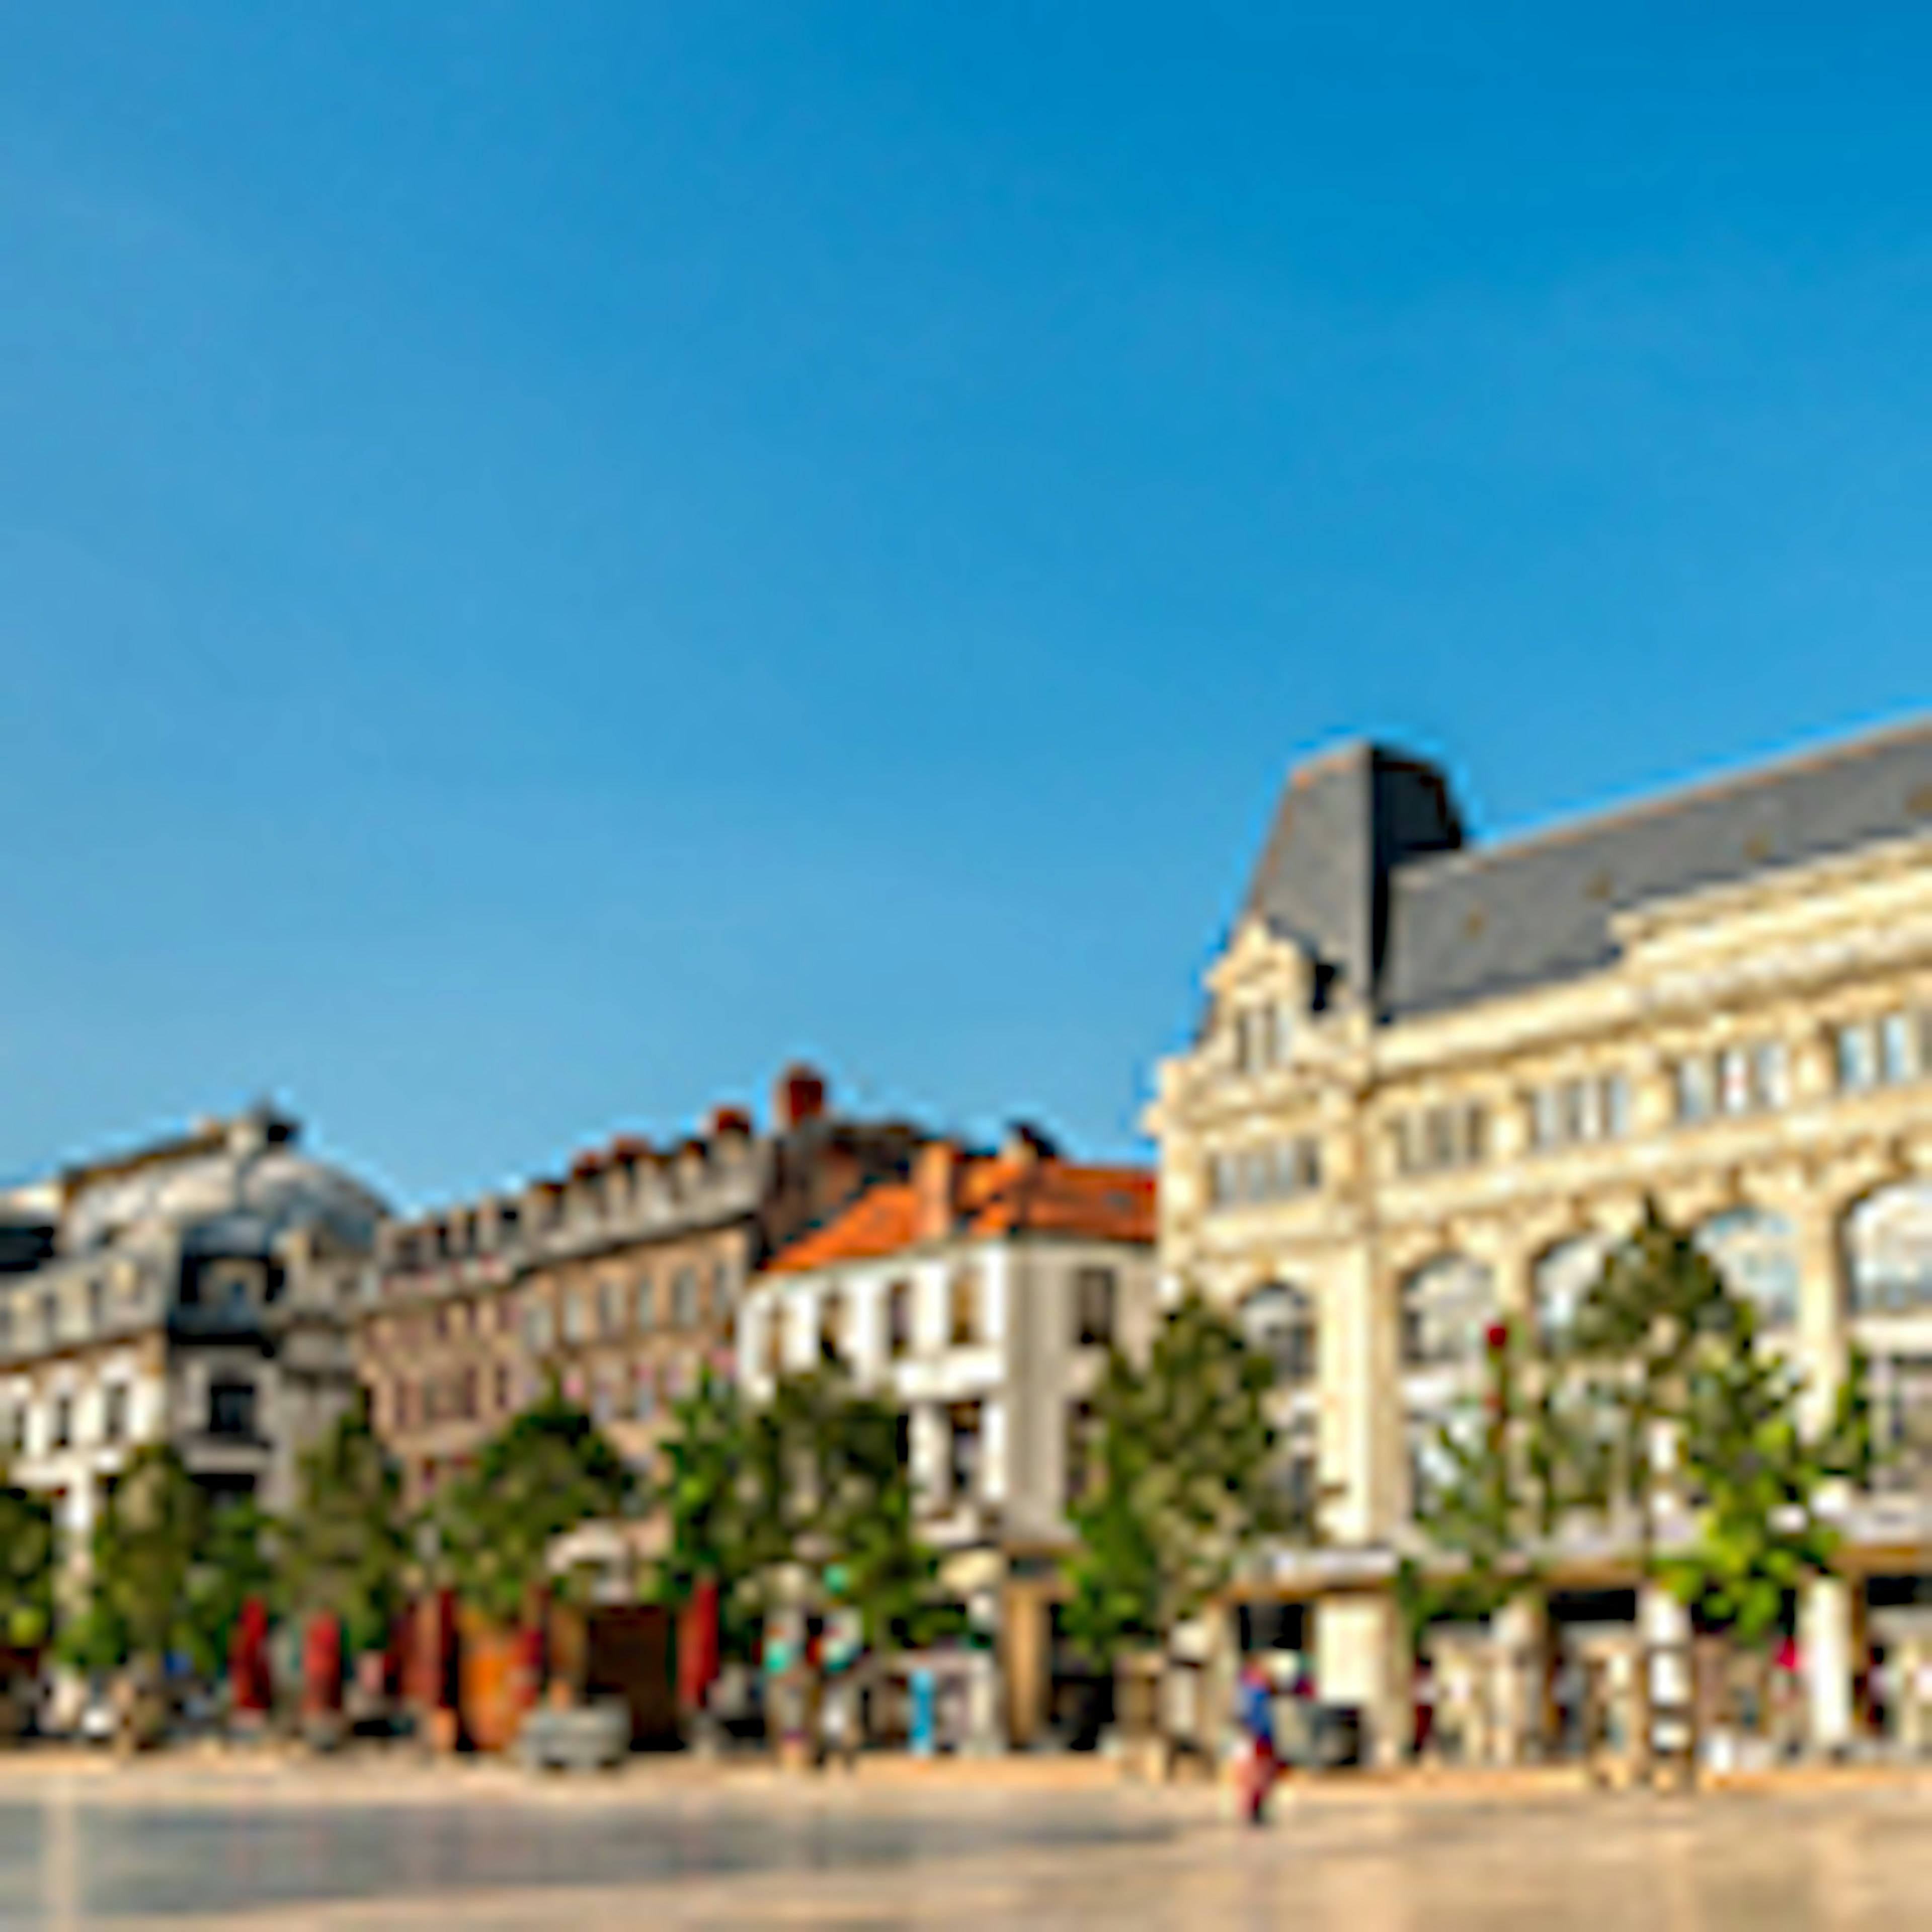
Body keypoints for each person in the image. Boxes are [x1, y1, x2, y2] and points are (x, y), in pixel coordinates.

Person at [1234, 1659, 1278, 1826]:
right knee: (1257, 1774)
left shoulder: (1250, 1692)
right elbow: (1250, 1716)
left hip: (1257, 1736)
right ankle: (1254, 1809)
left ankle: (1254, 1808)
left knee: (1256, 1774)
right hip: (1257, 1737)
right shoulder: (1254, 1692)